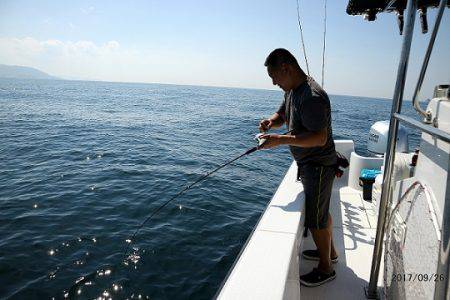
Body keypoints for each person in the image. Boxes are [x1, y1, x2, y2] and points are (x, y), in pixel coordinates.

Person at [259, 48, 338, 287]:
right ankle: (330, 253)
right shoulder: (293, 90)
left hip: (319, 166)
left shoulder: (312, 96)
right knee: (320, 212)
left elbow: (319, 138)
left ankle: (326, 268)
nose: (273, 82)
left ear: (287, 68)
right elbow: (283, 113)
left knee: (316, 220)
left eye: (274, 76)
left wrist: (281, 140)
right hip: (309, 164)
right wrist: (271, 122)